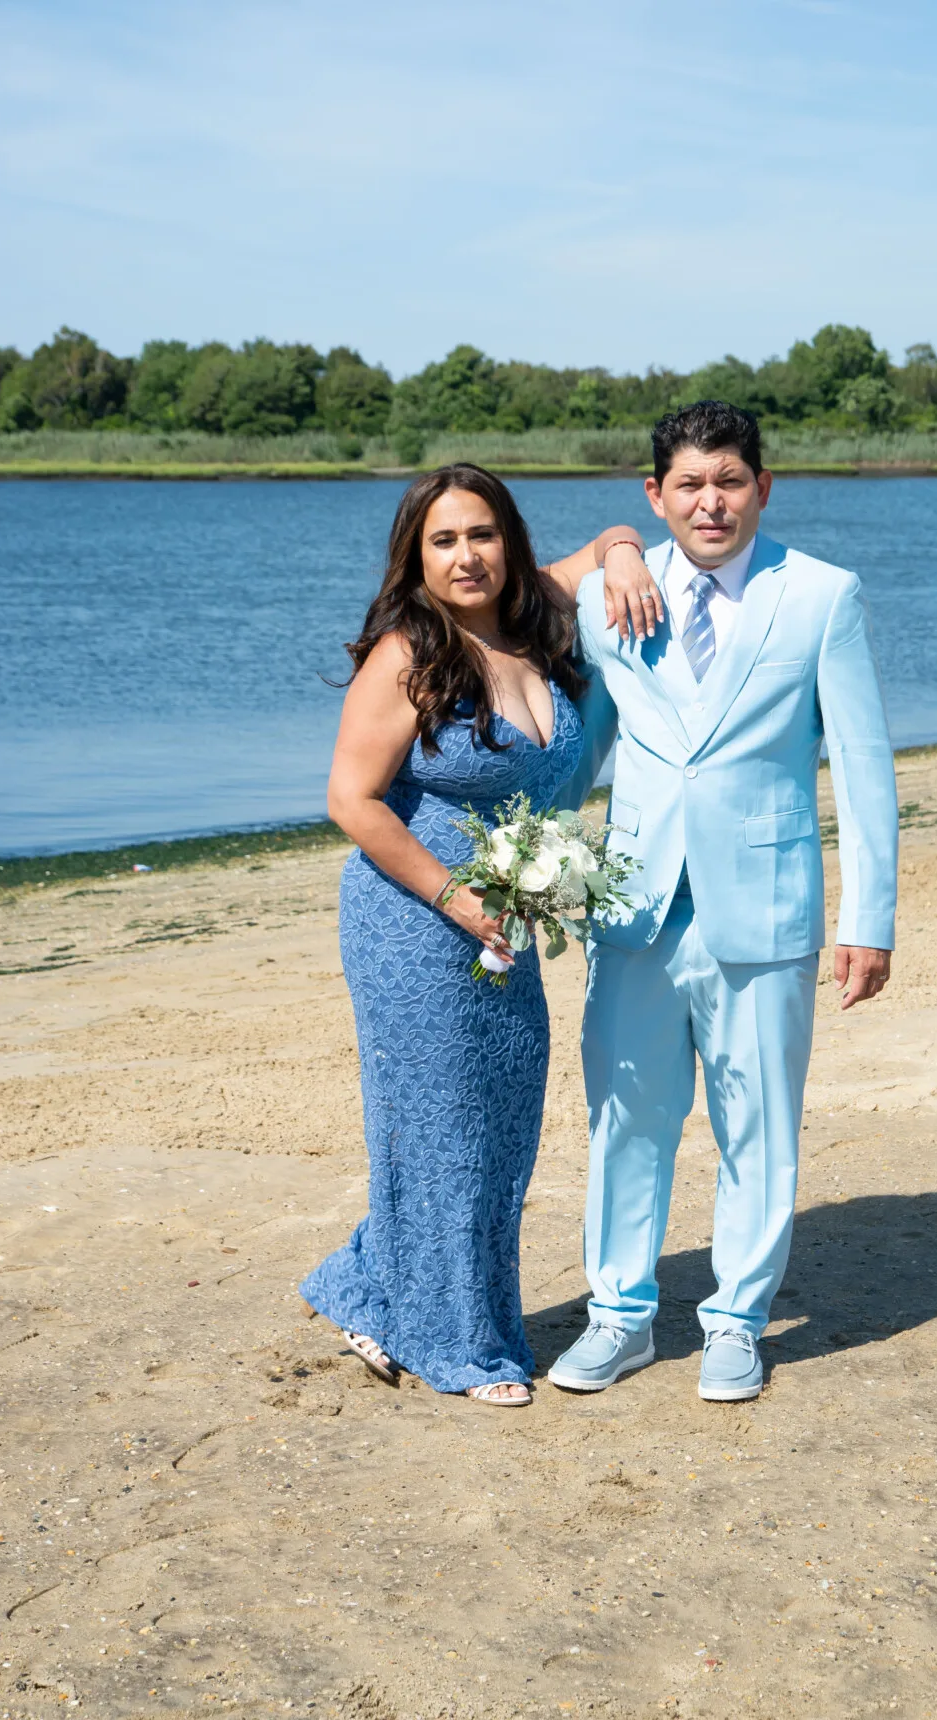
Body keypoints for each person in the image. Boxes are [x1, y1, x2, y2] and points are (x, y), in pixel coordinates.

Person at [549, 401, 899, 1401]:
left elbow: (864, 768)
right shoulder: (608, 601)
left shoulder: (823, 596)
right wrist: (514, 860)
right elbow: (579, 753)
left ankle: (736, 1322)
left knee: (758, 1126)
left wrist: (867, 918)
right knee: (626, 1119)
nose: (712, 502)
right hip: (635, 910)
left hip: (768, 910)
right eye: (690, 484)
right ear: (655, 496)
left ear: (763, 487)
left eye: (730, 481)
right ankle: (618, 1318)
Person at [299, 464, 648, 1406]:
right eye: (444, 540)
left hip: (505, 920)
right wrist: (456, 899)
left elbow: (617, 535)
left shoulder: (532, 615)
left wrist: (621, 550)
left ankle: (370, 1288)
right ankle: (461, 1345)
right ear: (416, 556)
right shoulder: (409, 650)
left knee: (497, 1123)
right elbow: (350, 799)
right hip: (414, 917)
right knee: (442, 1125)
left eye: (482, 534)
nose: (466, 556)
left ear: (509, 541)